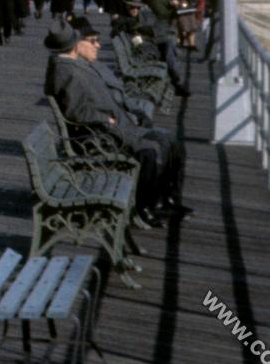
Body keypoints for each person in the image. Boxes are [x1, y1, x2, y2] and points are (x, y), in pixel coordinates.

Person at [46, 19, 190, 222]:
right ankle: (145, 208)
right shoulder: (68, 72)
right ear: (76, 44)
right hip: (101, 136)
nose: (97, 45)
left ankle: (167, 201)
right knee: (150, 151)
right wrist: (107, 119)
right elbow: (76, 111)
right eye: (92, 41)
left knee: (172, 142)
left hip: (115, 127)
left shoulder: (71, 66)